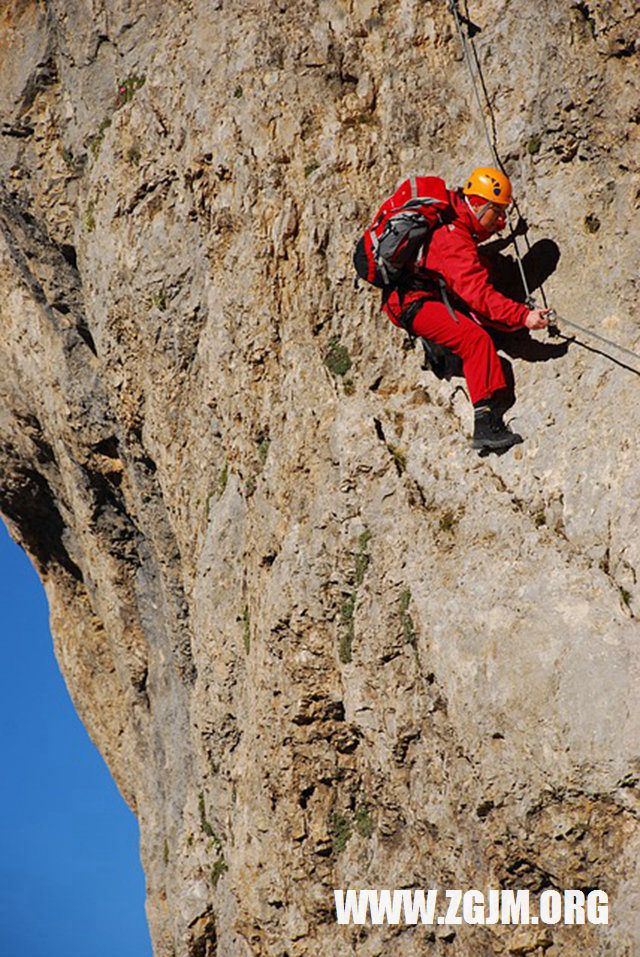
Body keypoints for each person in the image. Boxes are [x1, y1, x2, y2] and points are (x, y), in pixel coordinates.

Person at [383, 166, 550, 452]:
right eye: (496, 213)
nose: (501, 221)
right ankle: (486, 424)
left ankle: (442, 347)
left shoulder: (454, 212)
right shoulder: (454, 239)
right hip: (413, 303)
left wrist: (509, 238)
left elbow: (468, 256)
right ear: (479, 204)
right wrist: (524, 316)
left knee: (487, 266)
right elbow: (478, 294)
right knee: (475, 340)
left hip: (417, 291)